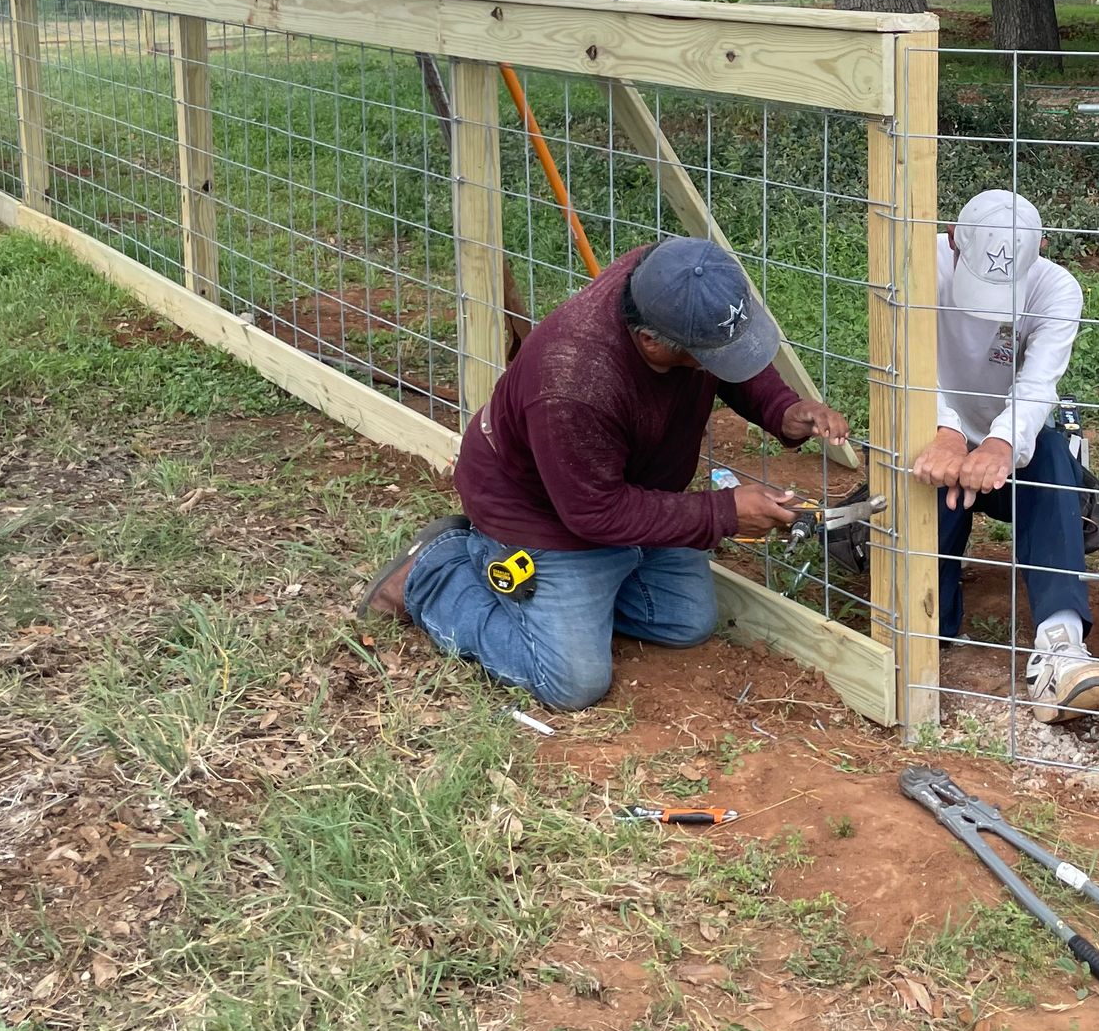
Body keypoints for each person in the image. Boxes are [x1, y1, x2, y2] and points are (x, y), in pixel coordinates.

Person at [358, 236, 850, 710]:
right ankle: (435, 573)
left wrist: (783, 409)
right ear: (651, 342)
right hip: (543, 512)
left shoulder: (672, 279)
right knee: (572, 681)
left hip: (624, 489)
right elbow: (594, 511)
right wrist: (724, 511)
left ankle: (580, 596)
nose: (716, 363)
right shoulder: (572, 382)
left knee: (686, 621)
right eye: (702, 356)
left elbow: (727, 351)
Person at [909, 189, 1099, 722]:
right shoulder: (915, 264)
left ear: (1041, 248)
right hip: (929, 445)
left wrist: (999, 445)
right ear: (953, 239)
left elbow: (1038, 383)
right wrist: (947, 432)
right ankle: (926, 620)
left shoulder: (1056, 290)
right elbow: (905, 361)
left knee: (1048, 454)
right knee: (928, 628)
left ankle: (1061, 646)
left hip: (1012, 457)